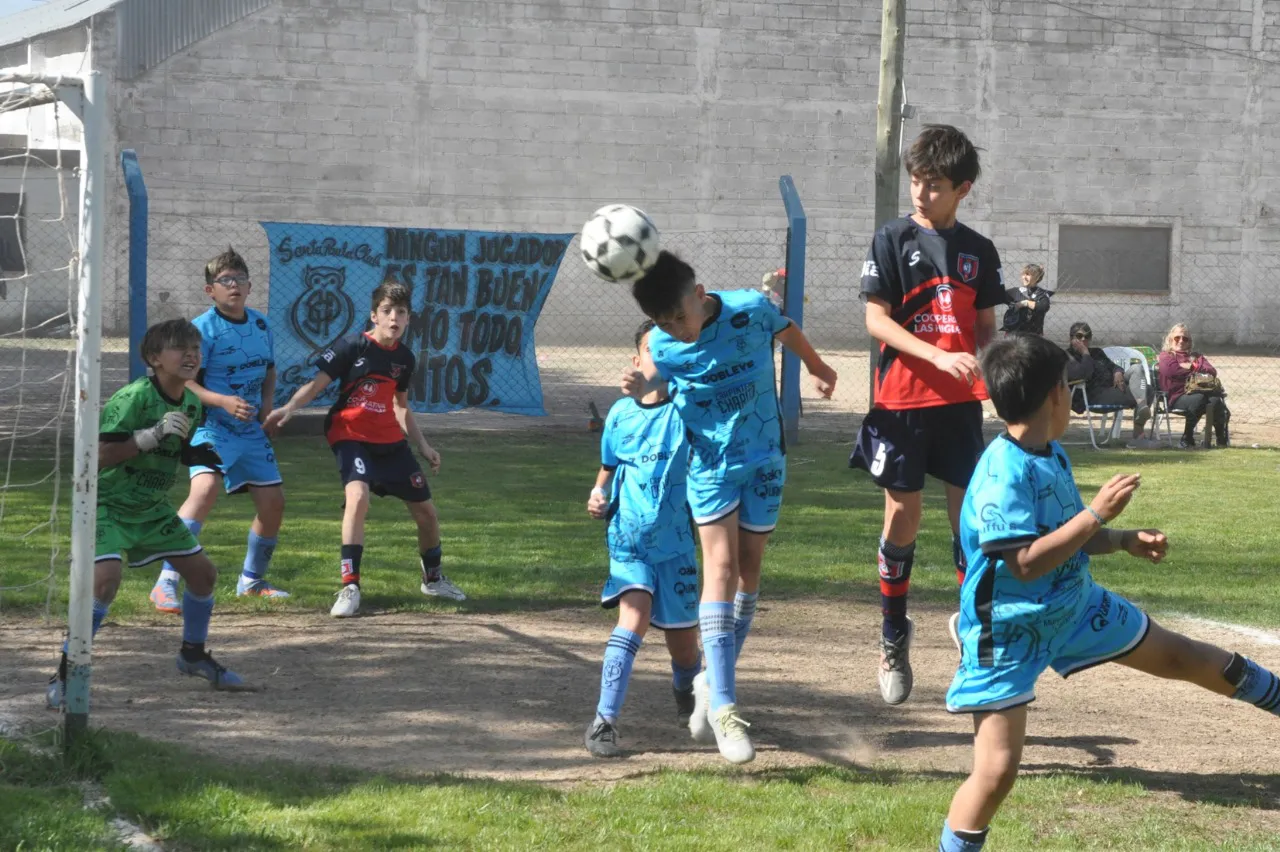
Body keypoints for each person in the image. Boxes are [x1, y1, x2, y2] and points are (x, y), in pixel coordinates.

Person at [938, 332, 1278, 852]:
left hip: (1075, 605)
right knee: (996, 772)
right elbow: (1026, 562)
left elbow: (1066, 532)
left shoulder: (1049, 453)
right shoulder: (1000, 476)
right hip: (1009, 629)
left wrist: (1120, 539)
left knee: (1183, 656)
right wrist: (1099, 513)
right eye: (1069, 387)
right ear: (1056, 394)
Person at [622, 251, 837, 764]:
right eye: (663, 322)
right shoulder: (662, 342)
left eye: (680, 316)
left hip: (765, 458)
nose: (677, 328)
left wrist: (819, 366)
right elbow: (651, 374)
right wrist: (639, 385)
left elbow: (787, 331)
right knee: (718, 568)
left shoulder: (750, 309)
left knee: (749, 571)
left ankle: (710, 681)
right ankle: (723, 705)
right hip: (711, 468)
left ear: (699, 294)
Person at [850, 124, 1005, 706]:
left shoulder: (979, 251)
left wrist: (995, 367)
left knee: (970, 524)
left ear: (962, 188)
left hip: (961, 407)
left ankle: (970, 633)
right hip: (900, 403)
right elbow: (877, 322)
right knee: (902, 518)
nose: (920, 193)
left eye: (934, 184)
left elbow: (987, 329)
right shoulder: (890, 240)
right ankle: (893, 633)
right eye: (916, 181)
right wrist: (938, 353)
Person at [46, 319, 248, 708]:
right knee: (105, 580)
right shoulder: (134, 397)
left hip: (152, 507)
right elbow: (99, 455)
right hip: (107, 503)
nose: (191, 354)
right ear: (154, 358)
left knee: (203, 575)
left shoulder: (190, 400)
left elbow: (180, 447)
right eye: (179, 348)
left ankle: (192, 654)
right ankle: (66, 672)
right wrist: (148, 436)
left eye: (195, 348)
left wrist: (200, 454)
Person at [264, 279, 464, 618]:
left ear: (409, 318)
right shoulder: (352, 345)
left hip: (390, 442)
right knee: (357, 498)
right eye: (387, 311)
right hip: (350, 434)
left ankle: (433, 579)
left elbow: (401, 406)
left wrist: (424, 446)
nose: (394, 318)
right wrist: (289, 408)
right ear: (374, 315)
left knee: (427, 514)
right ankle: (350, 586)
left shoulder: (404, 358)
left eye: (401, 312)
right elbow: (316, 385)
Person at [583, 320, 702, 758]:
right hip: (628, 538)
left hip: (676, 545)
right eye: (654, 350)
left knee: (684, 648)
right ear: (637, 361)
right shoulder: (620, 414)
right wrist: (598, 496)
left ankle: (685, 686)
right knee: (632, 618)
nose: (662, 357)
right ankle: (604, 722)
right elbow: (608, 473)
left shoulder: (688, 409)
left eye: (672, 349)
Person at [150, 248, 287, 614]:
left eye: (240, 279)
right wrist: (222, 401)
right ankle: (165, 582)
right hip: (211, 426)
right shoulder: (200, 330)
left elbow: (270, 370)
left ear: (250, 286)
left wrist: (268, 408)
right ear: (211, 290)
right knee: (205, 489)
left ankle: (252, 581)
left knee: (273, 504)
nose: (234, 286)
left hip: (250, 431)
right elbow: (184, 379)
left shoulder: (260, 324)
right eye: (226, 280)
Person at [1064, 321, 1151, 440]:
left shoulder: (1097, 352)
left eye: (1087, 336)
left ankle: (1142, 407)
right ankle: (1139, 434)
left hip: (1114, 386)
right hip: (1094, 395)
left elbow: (1112, 366)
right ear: (1071, 338)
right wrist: (1085, 353)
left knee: (1137, 368)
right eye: (1079, 336)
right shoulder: (1067, 357)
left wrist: (1117, 372)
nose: (1084, 339)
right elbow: (1086, 374)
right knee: (1148, 390)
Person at [1157, 323, 1229, 449]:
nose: (1181, 341)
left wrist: (1192, 366)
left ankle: (1220, 439)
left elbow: (1211, 371)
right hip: (1177, 396)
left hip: (1202, 393)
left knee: (1216, 400)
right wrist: (1197, 371)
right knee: (1199, 399)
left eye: (1185, 339)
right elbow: (1172, 371)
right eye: (1177, 338)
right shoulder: (1166, 356)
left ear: (1189, 342)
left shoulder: (1196, 357)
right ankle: (1187, 437)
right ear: (1170, 339)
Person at [1000, 263, 1050, 335]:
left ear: (1037, 277)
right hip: (1013, 336)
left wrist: (1025, 303)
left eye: (1028, 274)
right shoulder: (1015, 291)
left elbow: (1043, 307)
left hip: (1033, 337)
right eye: (1023, 274)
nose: (1024, 277)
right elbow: (996, 297)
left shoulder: (1042, 294)